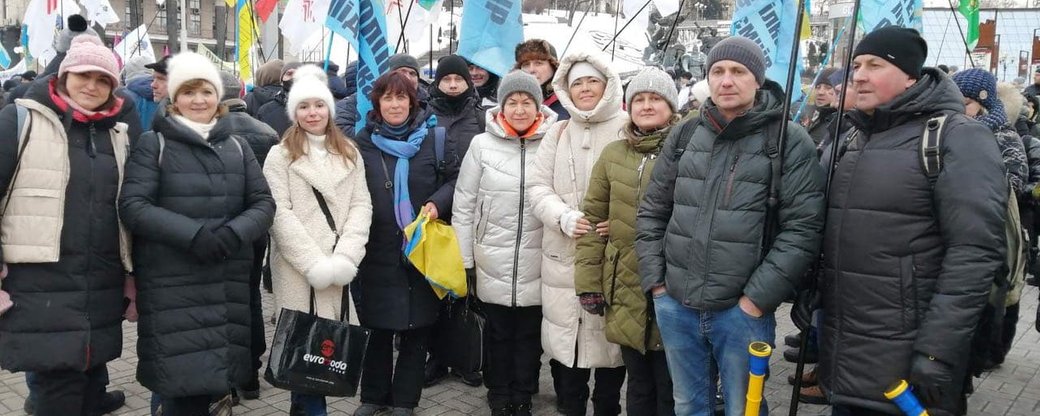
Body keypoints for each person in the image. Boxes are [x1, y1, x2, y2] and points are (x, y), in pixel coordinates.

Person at [817, 27, 1007, 416]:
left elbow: (975, 253)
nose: (859, 76)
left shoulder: (957, 137)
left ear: (910, 76)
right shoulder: (852, 137)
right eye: (856, 65)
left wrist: (938, 351)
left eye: (875, 65)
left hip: (912, 365)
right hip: (848, 359)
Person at [636, 36, 826, 415]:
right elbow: (652, 211)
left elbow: (803, 229)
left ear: (758, 80)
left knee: (744, 408)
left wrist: (756, 301)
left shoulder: (787, 140)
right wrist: (657, 284)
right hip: (676, 303)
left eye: (738, 71)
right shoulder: (686, 133)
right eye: (717, 71)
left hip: (741, 312)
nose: (726, 80)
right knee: (689, 405)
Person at [119, 51, 275, 416]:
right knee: (179, 390)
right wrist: (193, 235)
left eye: (206, 91)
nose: (199, 100)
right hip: (174, 286)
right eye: (189, 91)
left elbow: (264, 203)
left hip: (225, 283)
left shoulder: (236, 146)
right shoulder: (154, 144)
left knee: (217, 389)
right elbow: (134, 206)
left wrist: (234, 233)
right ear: (175, 97)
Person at [0, 35, 132, 416]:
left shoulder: (116, 134)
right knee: (56, 391)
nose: (92, 86)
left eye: (103, 80)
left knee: (89, 387)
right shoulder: (19, 120)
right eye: (83, 76)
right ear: (63, 76)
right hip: (38, 288)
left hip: (99, 286)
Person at [264, 64, 373, 416]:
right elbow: (278, 213)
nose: (313, 113)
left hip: (340, 267)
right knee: (301, 352)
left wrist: (346, 257)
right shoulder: (280, 155)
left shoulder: (349, 152)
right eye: (304, 106)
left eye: (319, 105)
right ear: (294, 112)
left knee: (326, 353)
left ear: (330, 107)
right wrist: (314, 263)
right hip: (299, 268)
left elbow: (361, 206)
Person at [527, 50, 627, 416]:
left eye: (592, 81)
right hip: (563, 260)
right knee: (567, 358)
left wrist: (619, 222)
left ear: (607, 85)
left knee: (612, 360)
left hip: (613, 262)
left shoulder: (628, 127)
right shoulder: (558, 132)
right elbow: (538, 187)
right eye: (577, 82)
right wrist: (563, 217)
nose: (585, 88)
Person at [351, 70, 458, 416]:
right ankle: (373, 397)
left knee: (417, 329)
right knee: (375, 327)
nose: (395, 104)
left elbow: (455, 180)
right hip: (376, 249)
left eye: (401, 97)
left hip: (421, 249)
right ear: (377, 103)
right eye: (388, 98)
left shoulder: (434, 138)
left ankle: (405, 401)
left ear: (413, 102)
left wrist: (437, 203)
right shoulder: (361, 143)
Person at [575, 67, 679, 416]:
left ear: (671, 106)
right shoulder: (613, 154)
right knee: (638, 384)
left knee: (670, 386)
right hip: (624, 285)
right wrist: (589, 284)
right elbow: (592, 219)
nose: (646, 106)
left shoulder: (687, 151)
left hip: (672, 283)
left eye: (655, 99)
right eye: (639, 99)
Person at [453, 70, 558, 416]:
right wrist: (465, 258)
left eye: (527, 102)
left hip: (539, 258)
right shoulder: (481, 145)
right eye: (512, 102)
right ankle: (498, 394)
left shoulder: (554, 141)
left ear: (538, 106)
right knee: (496, 334)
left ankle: (523, 394)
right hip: (491, 258)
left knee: (529, 336)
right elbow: (464, 204)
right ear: (501, 106)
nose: (519, 109)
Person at [952, 71, 1029, 376]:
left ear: (983, 103)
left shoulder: (1004, 136)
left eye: (966, 103)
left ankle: (991, 350)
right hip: (962, 224)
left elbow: (1015, 182)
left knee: (996, 293)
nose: (959, 109)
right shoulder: (952, 132)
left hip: (995, 226)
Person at [423, 54, 486, 388]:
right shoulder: (425, 114)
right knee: (435, 287)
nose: (451, 85)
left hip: (471, 212)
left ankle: (466, 357)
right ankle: (436, 357)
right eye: (446, 79)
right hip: (436, 209)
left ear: (467, 82)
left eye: (457, 79)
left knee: (464, 288)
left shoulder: (481, 117)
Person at [336, 54, 427, 135]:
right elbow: (339, 128)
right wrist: (377, 138)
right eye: (401, 72)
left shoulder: (427, 102)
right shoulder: (358, 100)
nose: (408, 77)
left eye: (412, 73)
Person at [514, 39, 570, 121]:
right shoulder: (511, 105)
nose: (531, 70)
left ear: (553, 66)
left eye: (538, 63)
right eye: (526, 64)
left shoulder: (570, 102)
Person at [257, 61, 304, 137]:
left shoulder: (315, 109)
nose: (294, 77)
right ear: (281, 80)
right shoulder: (266, 111)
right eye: (289, 74)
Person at [806, 68, 839, 145]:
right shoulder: (808, 115)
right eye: (818, 87)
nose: (820, 92)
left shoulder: (839, 123)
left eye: (828, 87)